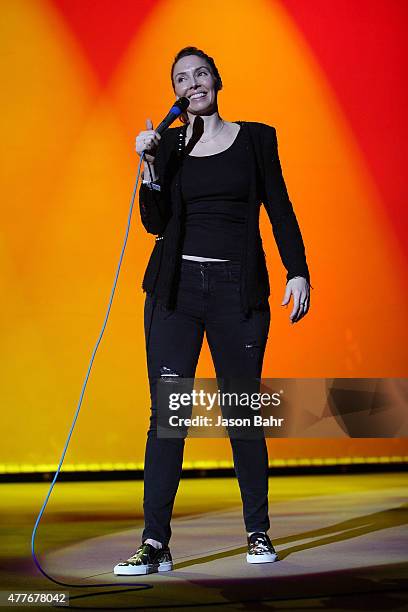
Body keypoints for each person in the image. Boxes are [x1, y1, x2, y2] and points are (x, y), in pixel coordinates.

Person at [114, 46, 311, 576]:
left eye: (200, 73)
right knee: (169, 417)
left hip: (234, 289)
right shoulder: (171, 145)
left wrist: (297, 270)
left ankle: (259, 532)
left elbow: (280, 205)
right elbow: (155, 223)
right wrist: (151, 166)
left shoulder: (256, 139)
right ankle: (155, 544)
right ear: (176, 92)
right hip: (175, 292)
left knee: (243, 412)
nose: (192, 82)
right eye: (181, 78)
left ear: (217, 80)